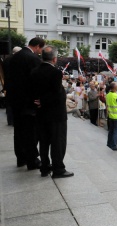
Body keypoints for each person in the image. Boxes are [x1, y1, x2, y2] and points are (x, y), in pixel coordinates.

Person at [31, 45, 73, 179]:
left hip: (41, 113)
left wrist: (39, 101)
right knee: (57, 142)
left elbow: (32, 91)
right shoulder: (55, 72)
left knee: (43, 142)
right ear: (54, 59)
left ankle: (44, 167)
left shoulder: (34, 71)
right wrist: (44, 100)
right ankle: (58, 168)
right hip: (56, 114)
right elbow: (55, 93)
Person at [5, 37, 45, 169]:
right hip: (29, 102)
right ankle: (32, 160)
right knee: (30, 131)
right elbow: (37, 81)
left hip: (15, 101)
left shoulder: (13, 58)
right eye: (41, 49)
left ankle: (21, 158)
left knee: (19, 130)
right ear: (38, 46)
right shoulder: (32, 59)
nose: (40, 52)